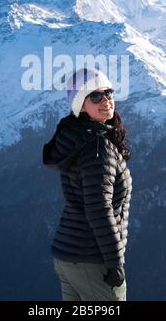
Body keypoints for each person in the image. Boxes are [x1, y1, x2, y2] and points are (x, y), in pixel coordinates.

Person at [42, 67, 132, 301]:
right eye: (95, 96)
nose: (106, 100)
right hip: (90, 258)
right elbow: (98, 208)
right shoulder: (97, 146)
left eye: (109, 93)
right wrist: (114, 263)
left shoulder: (76, 138)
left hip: (68, 255)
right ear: (81, 104)